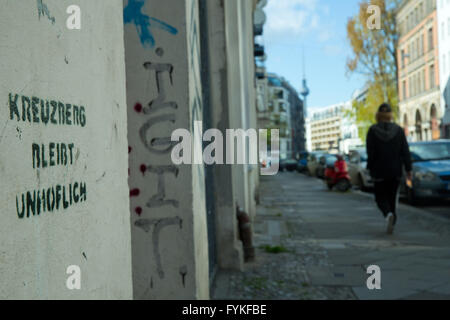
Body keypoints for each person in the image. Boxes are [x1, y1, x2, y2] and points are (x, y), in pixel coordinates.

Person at [366, 103, 412, 234]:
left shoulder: (372, 131)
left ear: (378, 115)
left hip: (379, 170)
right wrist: (408, 169)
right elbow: (405, 151)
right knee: (392, 197)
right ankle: (392, 217)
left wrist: (370, 167)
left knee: (380, 197)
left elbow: (371, 152)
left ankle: (387, 214)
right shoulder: (398, 130)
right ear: (390, 115)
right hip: (395, 170)